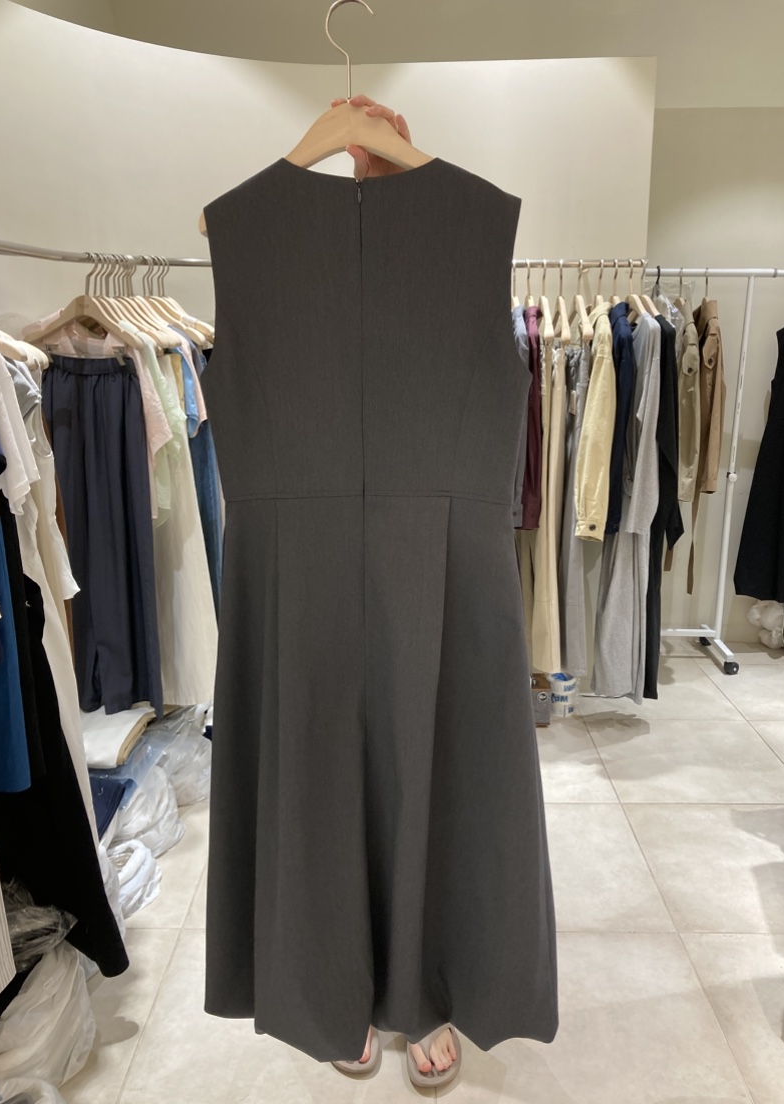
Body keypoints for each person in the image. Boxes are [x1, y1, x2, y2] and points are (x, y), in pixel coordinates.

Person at [329, 91, 460, 1082]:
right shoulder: (296, 259)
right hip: (323, 540)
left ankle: (428, 995)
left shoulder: (454, 258)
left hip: (427, 539)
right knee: (339, 774)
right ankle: (346, 985)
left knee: (423, 771)